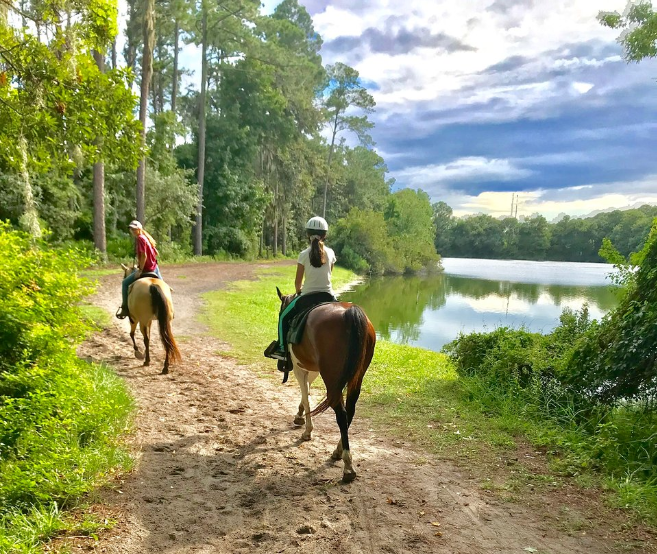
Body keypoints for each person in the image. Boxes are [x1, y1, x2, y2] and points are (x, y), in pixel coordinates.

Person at [264, 216, 337, 369]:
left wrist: (300, 290)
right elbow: (329, 274)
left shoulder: (304, 254)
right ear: (325, 235)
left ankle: (282, 350)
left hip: (308, 297)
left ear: (308, 234)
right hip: (329, 296)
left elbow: (298, 283)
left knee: (284, 317)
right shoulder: (330, 253)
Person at [116, 220, 162, 320]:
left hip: (146, 268)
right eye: (131, 229)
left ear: (139, 229)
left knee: (125, 283)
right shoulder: (147, 238)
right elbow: (155, 254)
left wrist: (140, 269)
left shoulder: (140, 239)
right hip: (154, 267)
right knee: (163, 287)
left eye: (134, 229)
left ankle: (125, 308)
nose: (132, 231)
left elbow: (144, 255)